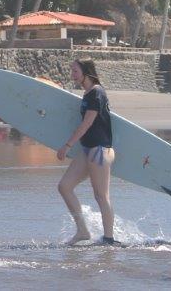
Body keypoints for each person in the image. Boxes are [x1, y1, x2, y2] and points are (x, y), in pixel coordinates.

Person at [57, 58, 118, 246]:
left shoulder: (97, 93)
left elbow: (87, 123)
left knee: (101, 195)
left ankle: (108, 239)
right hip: (88, 149)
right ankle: (83, 231)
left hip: (100, 149)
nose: (72, 75)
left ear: (86, 72)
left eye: (75, 71)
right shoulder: (88, 94)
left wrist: (67, 146)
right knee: (64, 186)